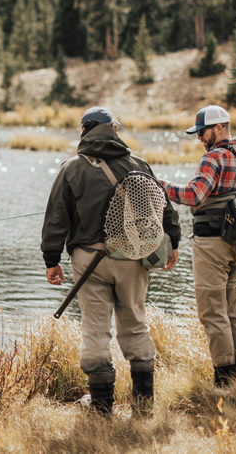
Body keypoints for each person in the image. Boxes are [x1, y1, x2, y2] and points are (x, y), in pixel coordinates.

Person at [42, 107, 180, 416]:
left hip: (88, 259)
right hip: (133, 257)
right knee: (134, 324)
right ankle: (144, 407)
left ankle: (102, 408)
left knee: (95, 328)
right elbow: (166, 211)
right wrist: (173, 244)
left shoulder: (72, 168)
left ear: (84, 131)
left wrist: (52, 260)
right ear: (113, 130)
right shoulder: (139, 164)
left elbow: (55, 219)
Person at [159, 104, 236, 386]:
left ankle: (225, 380)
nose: (199, 138)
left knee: (211, 311)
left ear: (218, 128)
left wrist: (163, 185)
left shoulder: (212, 159)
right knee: (232, 309)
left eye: (202, 132)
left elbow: (193, 195)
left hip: (211, 244)